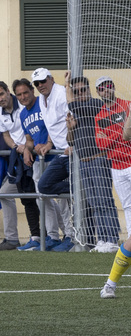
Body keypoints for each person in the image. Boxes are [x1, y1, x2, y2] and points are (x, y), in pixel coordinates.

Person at [66, 76, 121, 252]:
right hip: (83, 161)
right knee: (94, 202)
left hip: (99, 158)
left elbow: (71, 104)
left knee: (104, 200)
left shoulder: (96, 105)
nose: (80, 94)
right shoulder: (78, 111)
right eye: (76, 91)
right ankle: (102, 240)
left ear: (89, 90)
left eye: (83, 90)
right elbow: (70, 142)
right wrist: (71, 128)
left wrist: (66, 85)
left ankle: (112, 238)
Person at [14, 78, 69, 250]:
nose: (23, 97)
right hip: (39, 160)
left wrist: (48, 144)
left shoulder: (44, 103)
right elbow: (29, 139)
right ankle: (52, 236)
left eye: (25, 92)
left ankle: (69, 235)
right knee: (43, 199)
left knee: (63, 199)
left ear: (32, 91)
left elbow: (56, 126)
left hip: (55, 157)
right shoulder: (23, 113)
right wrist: (26, 150)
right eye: (19, 94)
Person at [95, 76, 131, 242]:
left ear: (114, 87)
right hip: (116, 166)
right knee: (128, 206)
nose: (106, 90)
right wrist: (121, 131)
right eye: (102, 88)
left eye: (108, 86)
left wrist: (111, 135)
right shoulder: (99, 116)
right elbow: (101, 145)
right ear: (97, 92)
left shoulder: (128, 106)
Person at [0, 81, 41, 250]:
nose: (0, 99)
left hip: (35, 156)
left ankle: (56, 236)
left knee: (43, 196)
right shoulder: (0, 113)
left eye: (2, 94)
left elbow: (32, 130)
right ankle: (12, 239)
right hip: (18, 160)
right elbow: (6, 135)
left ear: (8, 92)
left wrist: (26, 147)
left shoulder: (24, 105)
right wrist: (17, 147)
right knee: (5, 194)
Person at [32, 68, 72, 234]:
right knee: (43, 185)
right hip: (61, 154)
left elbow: (74, 118)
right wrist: (49, 143)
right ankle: (74, 187)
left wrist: (73, 143)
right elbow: (51, 124)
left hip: (72, 152)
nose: (40, 85)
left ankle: (78, 238)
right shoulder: (42, 98)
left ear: (51, 79)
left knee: (78, 201)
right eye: (37, 83)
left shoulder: (62, 93)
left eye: (43, 81)